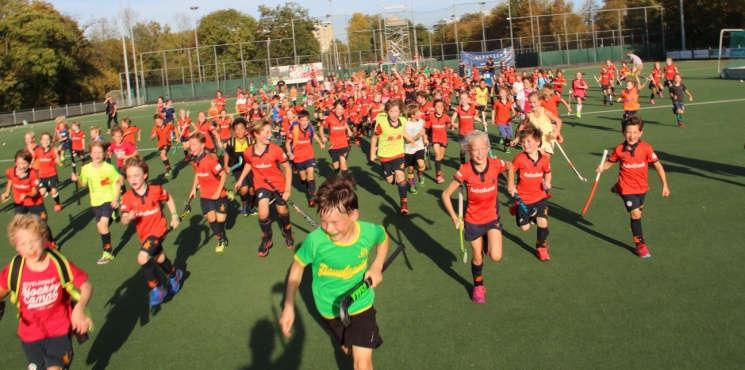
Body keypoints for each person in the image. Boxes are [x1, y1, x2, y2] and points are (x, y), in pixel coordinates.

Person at [279, 176, 389, 370]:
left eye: (335, 222)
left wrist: (377, 265)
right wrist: (288, 305)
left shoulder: (367, 232)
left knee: (362, 362)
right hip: (328, 308)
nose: (329, 229)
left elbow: (382, 236)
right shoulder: (315, 241)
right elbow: (297, 267)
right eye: (324, 221)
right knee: (349, 351)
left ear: (353, 214)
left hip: (359, 303)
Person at [0, 214, 93, 370]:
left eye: (33, 241)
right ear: (16, 246)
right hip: (29, 336)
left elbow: (86, 286)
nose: (30, 248)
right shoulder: (15, 269)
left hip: (59, 331)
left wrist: (79, 308)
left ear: (44, 239)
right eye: (22, 244)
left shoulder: (58, 263)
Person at [441, 130, 512, 303]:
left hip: (492, 217)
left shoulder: (496, 164)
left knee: (495, 256)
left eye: (482, 148)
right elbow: (445, 195)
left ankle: (488, 240)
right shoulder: (464, 171)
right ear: (468, 151)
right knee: (478, 256)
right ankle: (478, 286)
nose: (479, 153)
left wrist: (510, 184)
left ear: (488, 148)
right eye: (474, 149)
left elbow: (511, 166)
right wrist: (454, 218)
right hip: (472, 220)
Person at [595, 116, 670, 258]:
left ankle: (617, 187)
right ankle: (640, 244)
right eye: (628, 132)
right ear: (623, 132)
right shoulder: (619, 149)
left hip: (642, 187)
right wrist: (602, 167)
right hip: (627, 187)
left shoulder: (646, 148)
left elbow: (658, 166)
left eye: (635, 132)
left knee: (639, 212)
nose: (632, 135)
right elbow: (610, 163)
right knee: (635, 214)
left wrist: (665, 185)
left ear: (640, 133)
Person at [120, 156, 183, 308]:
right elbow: (123, 220)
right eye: (129, 176)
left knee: (142, 258)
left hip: (158, 230)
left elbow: (168, 199)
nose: (133, 179)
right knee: (160, 258)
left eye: (136, 175)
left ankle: (157, 288)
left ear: (145, 175)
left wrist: (174, 216)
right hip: (144, 234)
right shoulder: (127, 197)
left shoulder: (156, 190)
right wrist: (128, 217)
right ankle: (175, 274)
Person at [235, 121, 294, 256]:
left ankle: (287, 231)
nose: (270, 134)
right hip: (262, 186)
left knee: (282, 212)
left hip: (278, 185)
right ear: (256, 134)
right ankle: (267, 238)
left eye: (270, 131)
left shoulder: (276, 149)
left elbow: (287, 168)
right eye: (266, 132)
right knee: (262, 213)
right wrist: (240, 179)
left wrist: (287, 190)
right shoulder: (248, 152)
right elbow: (249, 164)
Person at [506, 127, 553, 261]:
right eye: (523, 142)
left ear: (538, 142)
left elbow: (548, 172)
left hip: (540, 196)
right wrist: (510, 185)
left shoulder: (544, 159)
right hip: (523, 199)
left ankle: (541, 246)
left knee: (543, 222)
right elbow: (510, 170)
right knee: (524, 228)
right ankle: (526, 215)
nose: (525, 144)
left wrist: (547, 183)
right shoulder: (519, 158)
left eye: (529, 141)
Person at [77, 142, 123, 265]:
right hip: (95, 202)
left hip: (108, 199)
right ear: (90, 154)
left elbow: (119, 181)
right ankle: (113, 215)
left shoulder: (108, 168)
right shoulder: (85, 169)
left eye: (100, 152)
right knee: (100, 228)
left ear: (104, 154)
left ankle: (108, 253)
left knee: (102, 225)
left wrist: (116, 198)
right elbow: (83, 184)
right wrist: (77, 179)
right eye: (94, 152)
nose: (97, 155)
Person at [2, 150, 57, 249]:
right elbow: (10, 179)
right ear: (15, 162)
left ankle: (50, 241)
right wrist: (7, 191)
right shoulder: (10, 171)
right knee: (18, 224)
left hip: (35, 203)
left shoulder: (33, 174)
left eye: (24, 163)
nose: (21, 166)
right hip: (20, 203)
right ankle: (24, 244)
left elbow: (35, 192)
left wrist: (26, 194)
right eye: (19, 163)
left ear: (29, 163)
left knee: (42, 224)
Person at [188, 132, 230, 253]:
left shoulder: (210, 160)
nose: (191, 147)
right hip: (205, 195)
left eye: (194, 144)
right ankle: (221, 238)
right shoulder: (194, 160)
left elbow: (223, 175)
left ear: (202, 145)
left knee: (221, 220)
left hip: (219, 194)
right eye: (190, 144)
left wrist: (218, 192)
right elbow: (197, 173)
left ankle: (228, 193)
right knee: (211, 219)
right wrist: (193, 188)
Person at [370, 99, 412, 215]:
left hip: (398, 154)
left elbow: (403, 132)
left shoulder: (403, 121)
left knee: (400, 175)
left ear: (400, 112)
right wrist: (372, 153)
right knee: (390, 181)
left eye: (396, 111)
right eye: (391, 111)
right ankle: (398, 182)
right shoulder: (382, 123)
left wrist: (412, 140)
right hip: (385, 156)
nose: (394, 114)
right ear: (387, 112)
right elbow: (374, 138)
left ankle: (404, 202)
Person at [285, 110, 324, 207]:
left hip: (309, 155)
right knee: (303, 178)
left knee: (311, 175)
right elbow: (287, 143)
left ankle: (312, 198)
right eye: (302, 120)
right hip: (298, 157)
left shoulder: (310, 128)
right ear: (298, 120)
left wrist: (320, 143)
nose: (304, 123)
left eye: (306, 120)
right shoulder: (294, 129)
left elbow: (314, 135)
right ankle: (307, 185)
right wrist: (290, 153)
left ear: (309, 120)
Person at [223, 117, 255, 216]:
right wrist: (226, 166)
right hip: (238, 169)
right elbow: (227, 154)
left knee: (252, 190)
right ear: (234, 131)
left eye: (242, 128)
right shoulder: (231, 142)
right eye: (237, 129)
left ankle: (251, 206)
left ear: (246, 130)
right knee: (244, 188)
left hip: (251, 168)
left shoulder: (250, 141)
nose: (239, 131)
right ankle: (244, 206)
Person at [320, 100, 353, 177]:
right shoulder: (329, 118)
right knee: (336, 166)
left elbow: (345, 123)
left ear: (344, 109)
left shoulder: (344, 116)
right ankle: (337, 172)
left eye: (341, 109)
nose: (339, 111)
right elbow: (321, 127)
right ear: (334, 108)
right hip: (333, 146)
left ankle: (346, 181)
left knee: (342, 160)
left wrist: (349, 130)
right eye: (338, 109)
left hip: (344, 144)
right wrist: (322, 137)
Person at [34, 133, 63, 212]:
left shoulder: (53, 150)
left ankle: (57, 203)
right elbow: (33, 160)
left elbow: (59, 163)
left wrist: (57, 154)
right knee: (42, 192)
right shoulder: (38, 151)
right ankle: (47, 190)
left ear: (50, 141)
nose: (45, 141)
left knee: (54, 191)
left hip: (52, 175)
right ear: (40, 141)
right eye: (44, 139)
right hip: (42, 176)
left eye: (47, 139)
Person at [403, 104, 427, 194]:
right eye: (417, 112)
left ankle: (420, 173)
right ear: (412, 115)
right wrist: (418, 135)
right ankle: (412, 185)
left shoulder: (421, 121)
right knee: (410, 169)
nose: (420, 113)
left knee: (421, 165)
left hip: (419, 147)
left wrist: (425, 139)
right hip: (409, 150)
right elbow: (407, 139)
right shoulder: (406, 124)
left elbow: (423, 132)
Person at [425, 99, 450, 184]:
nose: (439, 108)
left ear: (443, 108)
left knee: (440, 157)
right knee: (437, 154)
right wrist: (426, 138)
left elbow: (448, 124)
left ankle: (439, 169)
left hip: (444, 139)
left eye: (441, 107)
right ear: (434, 108)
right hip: (434, 138)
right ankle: (438, 175)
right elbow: (426, 128)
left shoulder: (446, 117)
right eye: (437, 106)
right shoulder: (431, 116)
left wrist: (452, 125)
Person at [492, 87, 516, 153]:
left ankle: (506, 147)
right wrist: (493, 119)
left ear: (506, 94)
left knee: (509, 136)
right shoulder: (497, 102)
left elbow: (513, 112)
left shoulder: (509, 102)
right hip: (499, 121)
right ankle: (504, 143)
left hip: (508, 122)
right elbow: (493, 111)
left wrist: (514, 115)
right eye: (500, 93)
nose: (501, 94)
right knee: (504, 135)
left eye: (502, 93)